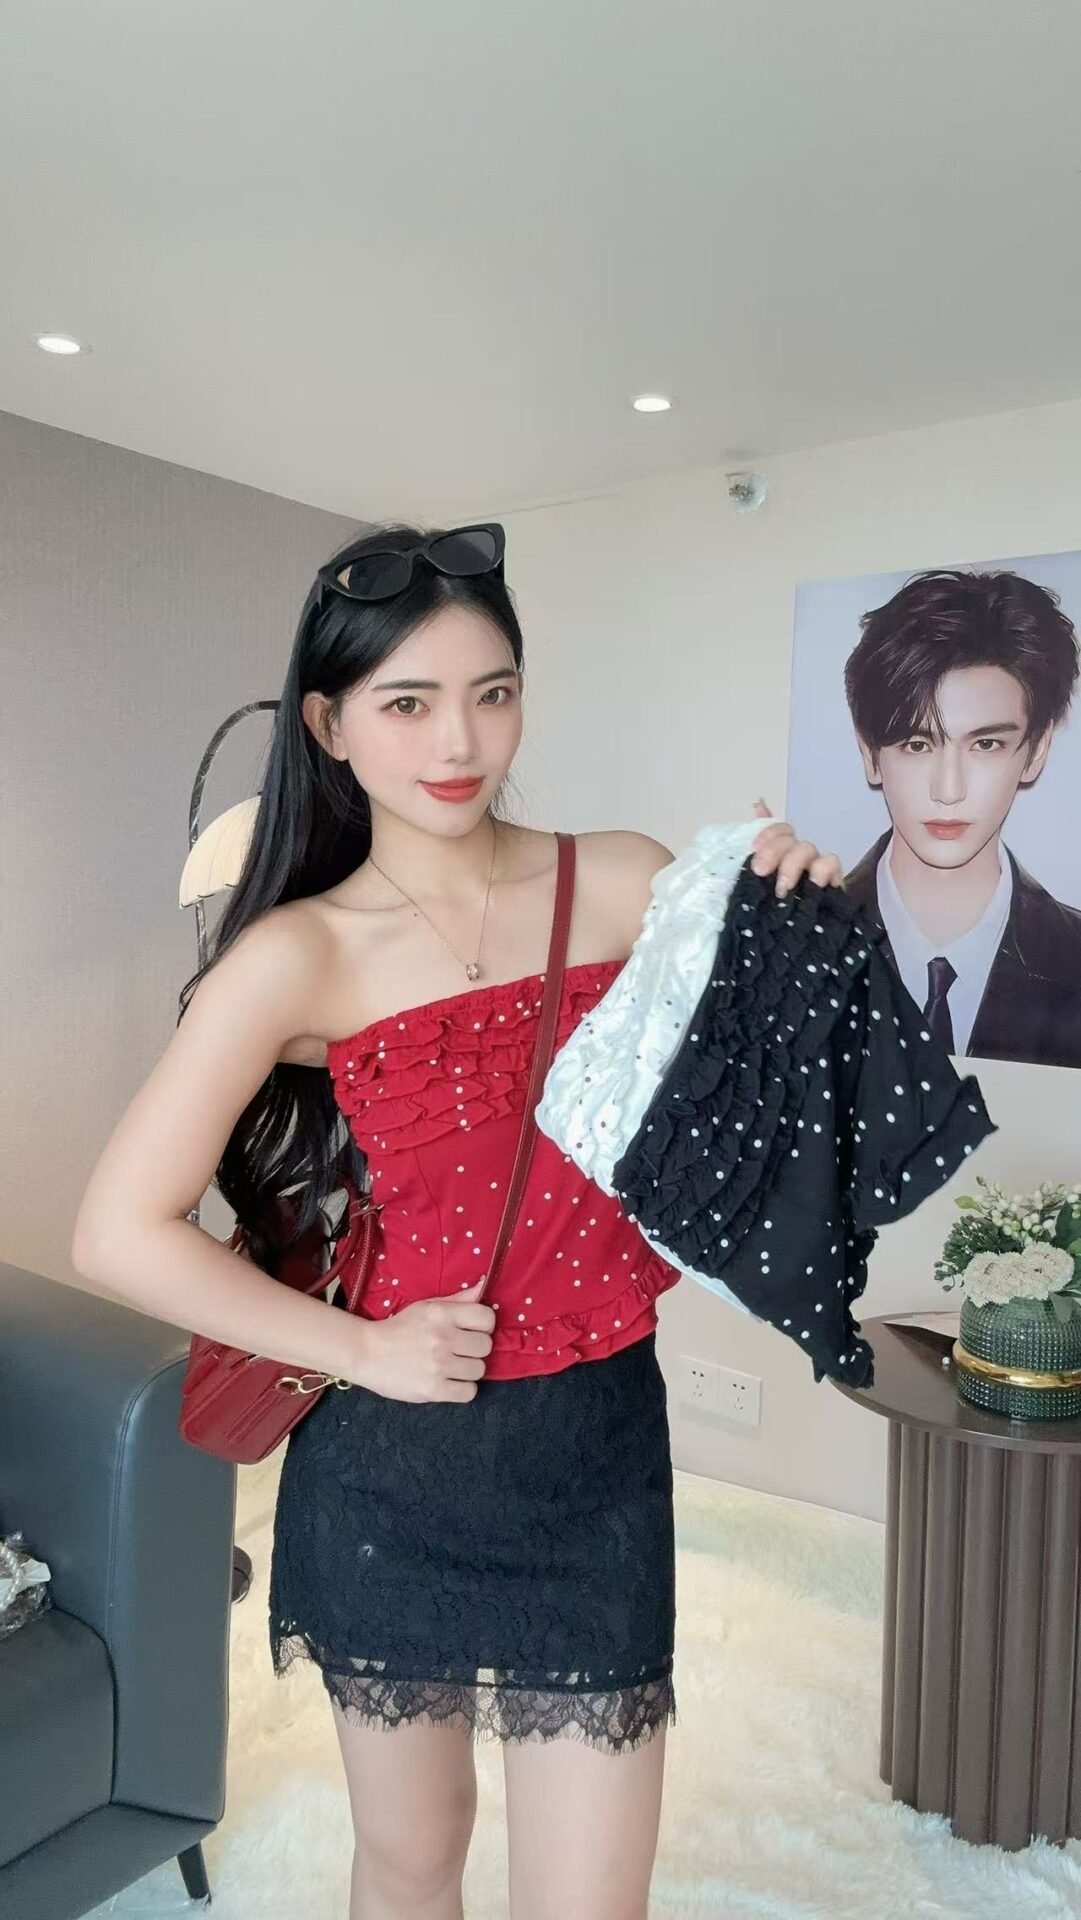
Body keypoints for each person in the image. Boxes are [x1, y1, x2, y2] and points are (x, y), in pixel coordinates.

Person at [71, 522, 842, 1920]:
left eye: (492, 693)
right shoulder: (298, 953)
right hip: (391, 1479)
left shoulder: (624, 880)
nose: (459, 741)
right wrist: (361, 1350)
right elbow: (118, 1231)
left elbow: (782, 1116)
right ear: (330, 725)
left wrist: (795, 923)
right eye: (408, 703)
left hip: (597, 1460)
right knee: (410, 1863)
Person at [841, 566, 1081, 1069]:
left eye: (986, 744)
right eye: (916, 743)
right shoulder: (792, 949)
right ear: (870, 753)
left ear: (1035, 751)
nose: (948, 791)